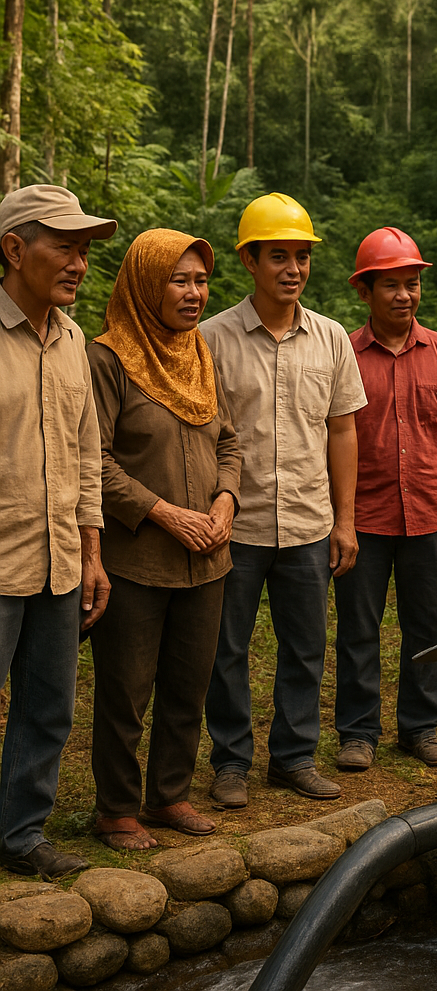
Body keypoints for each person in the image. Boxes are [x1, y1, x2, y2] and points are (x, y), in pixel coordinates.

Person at [202, 193, 366, 808]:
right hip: (236, 526)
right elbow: (202, 436)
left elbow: (342, 430)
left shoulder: (330, 338)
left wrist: (345, 521)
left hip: (308, 521)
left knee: (305, 648)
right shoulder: (212, 339)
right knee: (226, 649)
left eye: (302, 256)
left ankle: (294, 757)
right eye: (279, 256)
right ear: (250, 260)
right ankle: (230, 763)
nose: (293, 269)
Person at [87, 229, 241, 849]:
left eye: (201, 281)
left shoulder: (200, 352)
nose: (194, 293)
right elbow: (93, 460)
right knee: (125, 690)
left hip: (207, 559)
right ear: (146, 284)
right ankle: (116, 809)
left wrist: (225, 499)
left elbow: (228, 441)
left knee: (189, 684)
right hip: (136, 560)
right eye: (179, 280)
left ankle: (169, 794)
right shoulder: (108, 359)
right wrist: (162, 513)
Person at [0, 184, 115, 880]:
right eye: (65, 247)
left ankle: (20, 835)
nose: (79, 263)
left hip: (60, 561)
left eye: (85, 250)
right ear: (14, 249)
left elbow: (86, 453)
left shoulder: (73, 340)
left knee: (48, 709)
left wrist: (92, 552)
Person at [334, 227, 437, 772]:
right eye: (391, 285)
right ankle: (358, 732)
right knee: (358, 630)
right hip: (363, 520)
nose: (404, 295)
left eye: (412, 283)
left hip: (428, 516)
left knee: (426, 625)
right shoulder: (344, 354)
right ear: (364, 291)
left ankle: (420, 727)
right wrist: (340, 518)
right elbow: (332, 434)